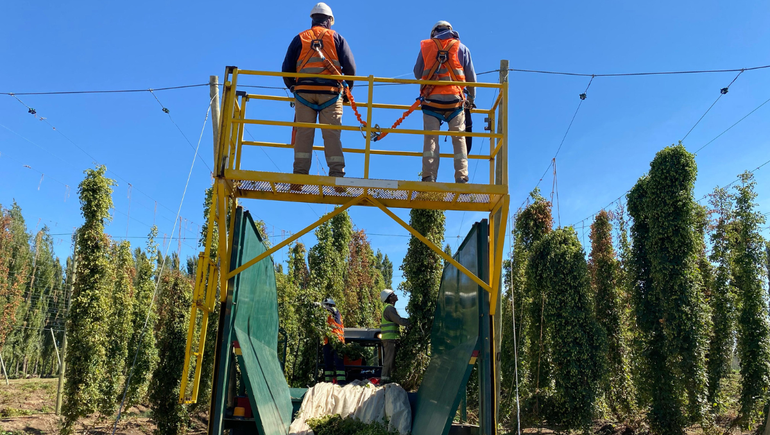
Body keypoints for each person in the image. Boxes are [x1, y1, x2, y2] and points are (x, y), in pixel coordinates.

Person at [281, 2, 356, 182]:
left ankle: (299, 177)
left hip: (303, 94)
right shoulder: (337, 38)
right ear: (329, 21)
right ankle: (337, 176)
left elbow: (286, 69)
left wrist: (293, 87)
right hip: (331, 94)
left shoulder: (299, 38)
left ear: (312, 20)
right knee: (332, 135)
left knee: (303, 135)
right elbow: (351, 69)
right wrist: (347, 91)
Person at [413, 20, 477, 184]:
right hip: (455, 101)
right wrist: (471, 99)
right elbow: (471, 78)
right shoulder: (462, 48)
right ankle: (461, 176)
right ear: (451, 31)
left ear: (434, 32)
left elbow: (417, 73)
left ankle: (429, 176)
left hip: (431, 101)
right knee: (459, 138)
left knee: (431, 139)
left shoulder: (426, 46)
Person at [379, 289, 410, 382]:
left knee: (392, 362)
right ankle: (384, 381)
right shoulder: (389, 308)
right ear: (389, 298)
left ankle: (391, 380)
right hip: (390, 339)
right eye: (393, 294)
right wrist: (411, 322)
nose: (396, 295)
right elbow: (399, 321)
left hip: (391, 339)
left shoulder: (389, 308)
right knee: (389, 361)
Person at [320, 297, 346, 384]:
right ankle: (328, 382)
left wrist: (319, 305)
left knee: (338, 362)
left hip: (337, 340)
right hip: (328, 341)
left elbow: (329, 309)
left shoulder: (335, 310)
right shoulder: (326, 315)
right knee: (328, 363)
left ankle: (341, 382)